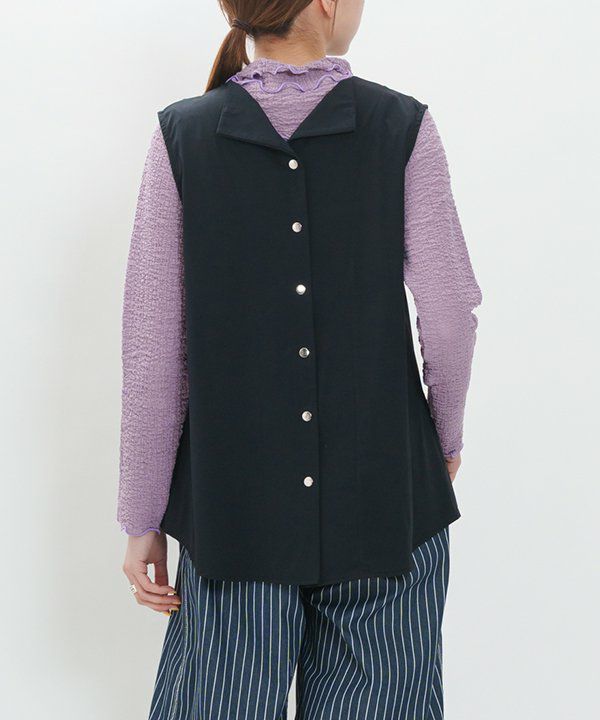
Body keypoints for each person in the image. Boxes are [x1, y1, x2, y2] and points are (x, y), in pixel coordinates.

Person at [117, 0, 483, 717]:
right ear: (326, 3)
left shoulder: (181, 137)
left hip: (233, 513)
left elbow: (153, 350)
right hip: (386, 501)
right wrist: (441, 443)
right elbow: (449, 315)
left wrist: (142, 519)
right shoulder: (403, 126)